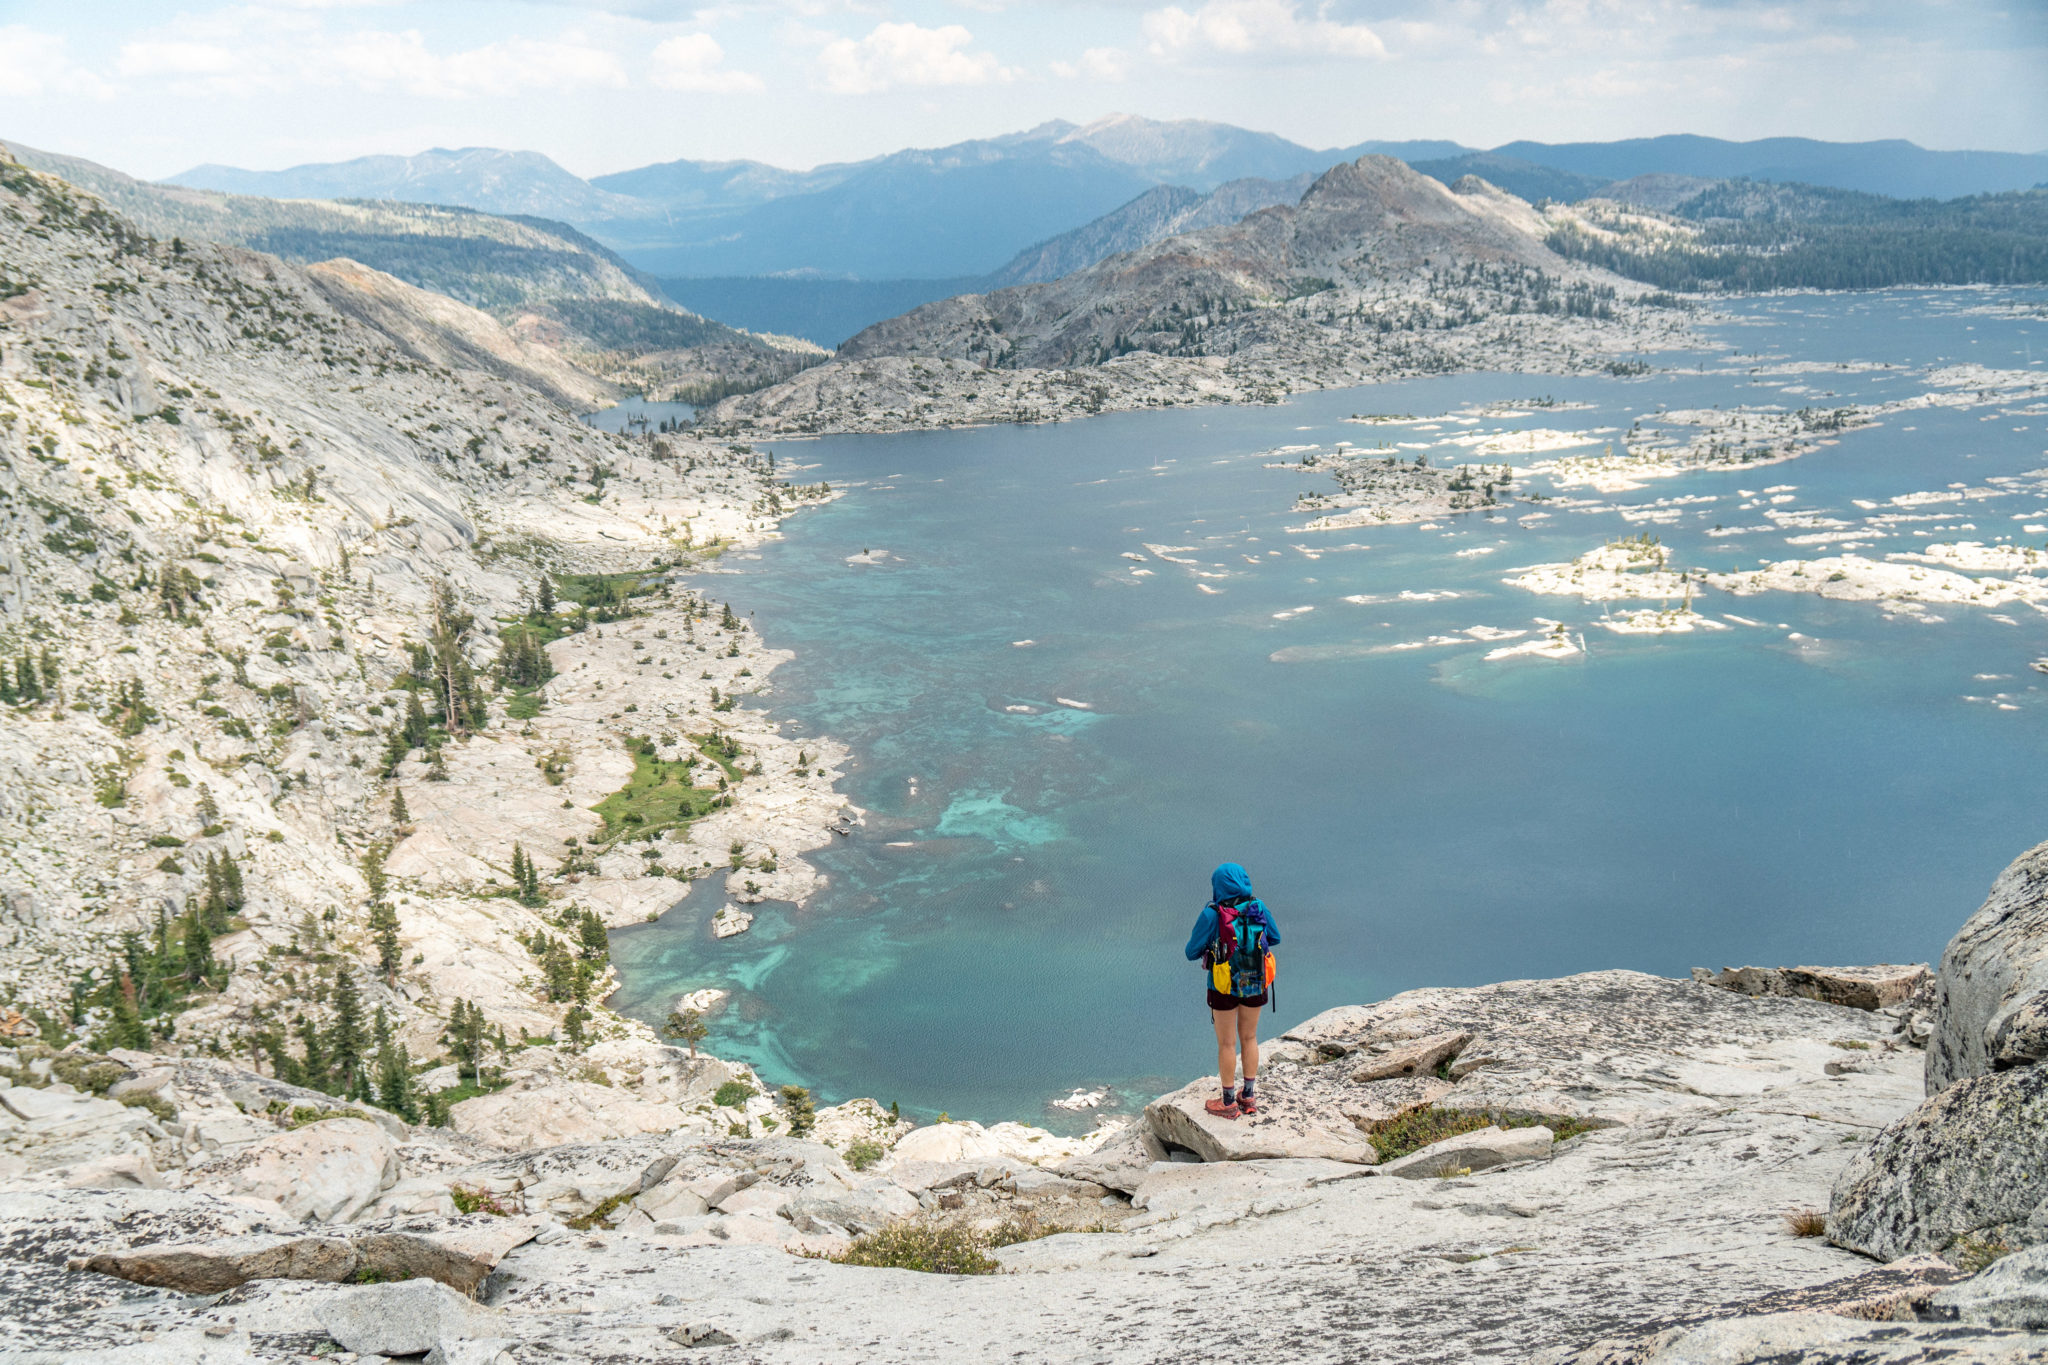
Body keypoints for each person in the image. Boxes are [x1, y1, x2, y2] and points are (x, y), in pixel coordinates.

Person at [1184, 861, 1279, 1119]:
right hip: (1254, 979)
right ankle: (1248, 1097)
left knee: (1227, 1043)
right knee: (1249, 1037)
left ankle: (1227, 1102)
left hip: (1222, 984)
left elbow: (1190, 952)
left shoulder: (1212, 915)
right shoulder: (1258, 907)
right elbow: (1276, 937)